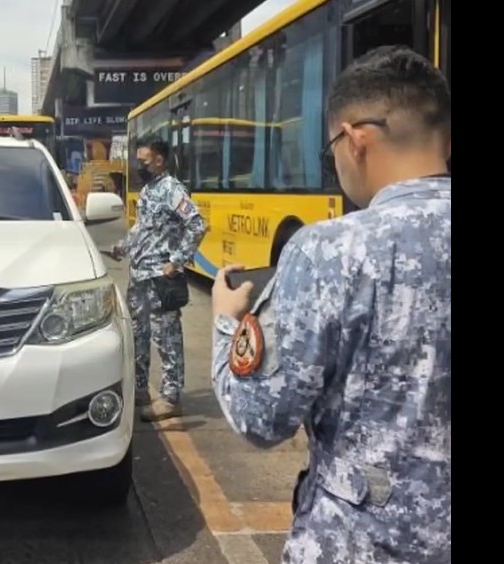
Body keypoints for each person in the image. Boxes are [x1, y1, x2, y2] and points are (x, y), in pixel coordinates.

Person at [210, 45, 451, 563]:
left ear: (355, 140)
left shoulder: (331, 251)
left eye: (330, 150)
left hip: (359, 544)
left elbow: (260, 417)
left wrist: (227, 324)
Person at [113, 136, 206, 421]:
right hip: (139, 275)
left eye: (143, 161)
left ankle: (170, 396)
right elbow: (143, 228)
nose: (139, 165)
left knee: (167, 337)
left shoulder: (171, 189)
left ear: (159, 160)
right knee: (138, 335)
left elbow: (197, 224)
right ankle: (141, 389)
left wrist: (176, 262)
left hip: (160, 278)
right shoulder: (148, 191)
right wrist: (123, 246)